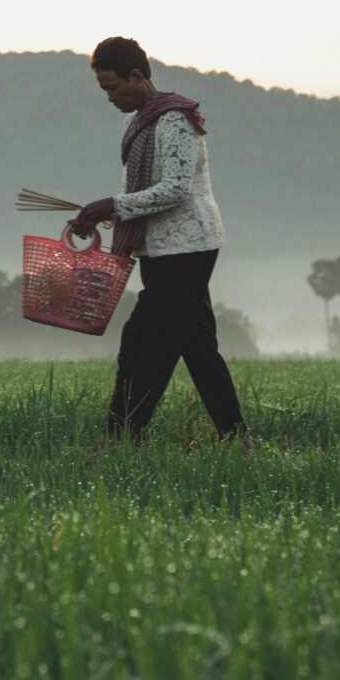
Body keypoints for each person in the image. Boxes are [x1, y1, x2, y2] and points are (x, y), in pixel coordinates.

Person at [66, 36, 247, 448]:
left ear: (137, 76)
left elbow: (176, 190)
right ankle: (237, 439)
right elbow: (140, 190)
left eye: (113, 87)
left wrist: (112, 205)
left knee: (142, 341)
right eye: (104, 90)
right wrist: (106, 213)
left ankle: (119, 437)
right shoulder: (135, 122)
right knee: (197, 347)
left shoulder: (175, 120)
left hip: (188, 246)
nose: (110, 97)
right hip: (158, 246)